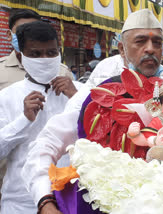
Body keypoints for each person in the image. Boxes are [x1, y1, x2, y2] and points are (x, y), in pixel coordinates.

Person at [22, 9, 163, 214]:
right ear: (122, 48)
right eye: (140, 41)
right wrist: (45, 201)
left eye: (157, 43)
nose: (150, 49)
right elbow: (46, 144)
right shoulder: (100, 93)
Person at [0, 21, 81, 214]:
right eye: (36, 54)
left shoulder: (79, 92)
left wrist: (77, 99)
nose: (45, 59)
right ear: (21, 57)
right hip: (21, 203)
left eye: (51, 53)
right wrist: (24, 120)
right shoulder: (7, 97)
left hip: (70, 201)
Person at [0, 9, 74, 91]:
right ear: (9, 35)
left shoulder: (62, 71)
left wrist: (74, 96)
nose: (27, 36)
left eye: (33, 31)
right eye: (21, 31)